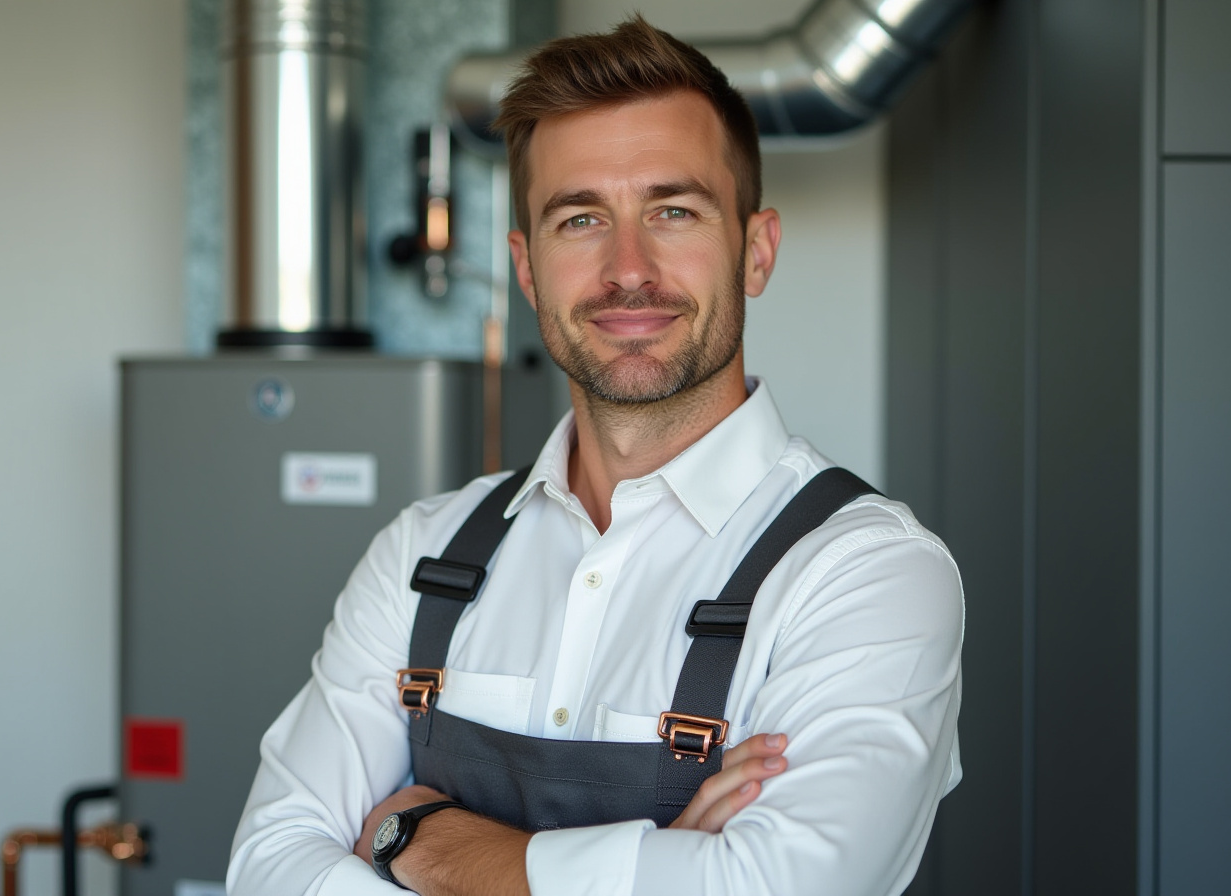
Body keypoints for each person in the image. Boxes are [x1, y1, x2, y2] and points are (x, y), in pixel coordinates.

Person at [229, 16, 963, 896]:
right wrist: (663, 864)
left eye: (673, 211)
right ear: (528, 269)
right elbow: (270, 865)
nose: (627, 268)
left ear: (756, 249)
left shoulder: (864, 573)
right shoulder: (422, 555)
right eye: (580, 219)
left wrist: (412, 837)